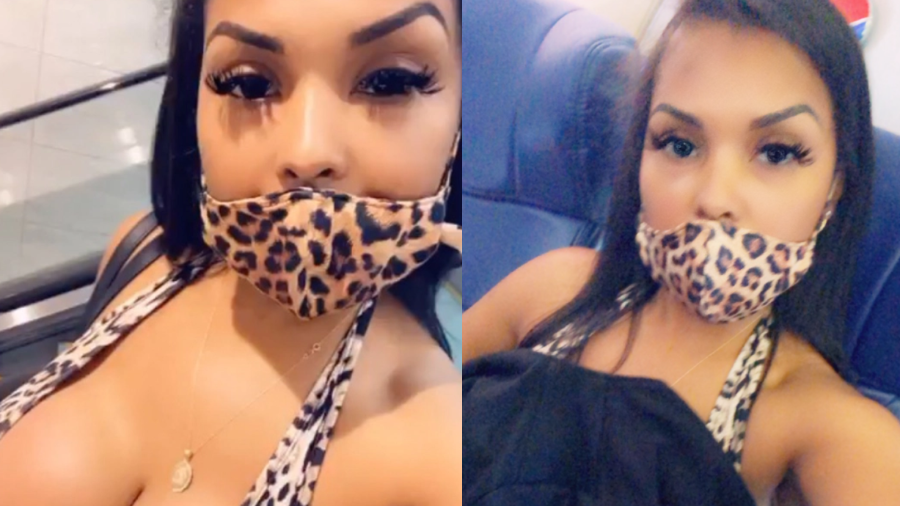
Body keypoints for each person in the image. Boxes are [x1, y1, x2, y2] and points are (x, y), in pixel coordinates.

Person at [0, 0, 462, 505]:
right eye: (248, 84)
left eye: (390, 82)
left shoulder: (436, 454)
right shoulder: (141, 252)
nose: (306, 151)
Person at [463, 0, 900, 504]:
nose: (714, 197)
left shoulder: (823, 427)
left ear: (834, 187)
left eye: (776, 152)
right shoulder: (555, 290)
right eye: (680, 145)